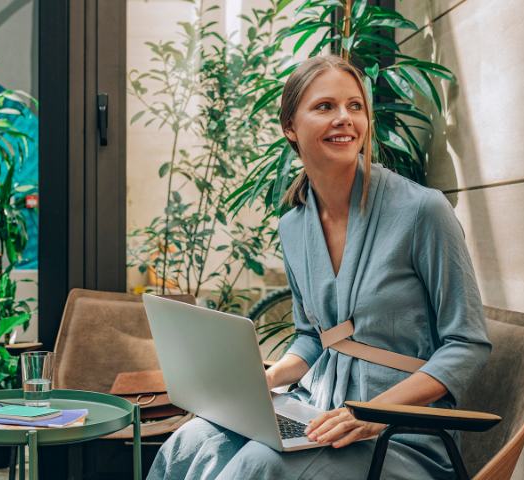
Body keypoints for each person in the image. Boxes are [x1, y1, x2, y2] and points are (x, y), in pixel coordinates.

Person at [148, 55, 491, 479]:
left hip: (402, 434)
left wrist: (375, 413)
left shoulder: (423, 211)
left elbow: (467, 344)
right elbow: (312, 338)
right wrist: (262, 383)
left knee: (262, 464)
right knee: (190, 441)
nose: (344, 118)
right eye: (325, 106)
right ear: (289, 127)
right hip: (317, 409)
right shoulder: (294, 224)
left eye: (355, 106)